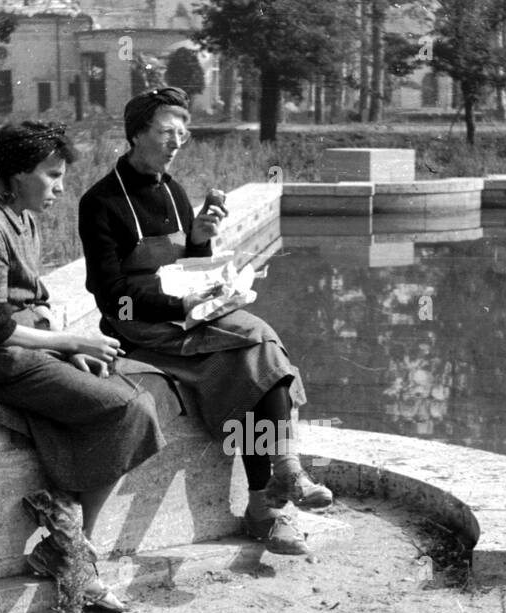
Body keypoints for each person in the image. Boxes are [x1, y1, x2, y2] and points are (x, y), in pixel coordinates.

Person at [78, 87, 333, 556]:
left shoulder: (173, 191)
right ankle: (278, 484)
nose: (176, 142)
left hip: (187, 316)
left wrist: (199, 242)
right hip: (139, 326)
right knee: (259, 343)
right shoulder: (101, 202)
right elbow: (109, 294)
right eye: (165, 132)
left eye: (182, 133)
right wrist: (182, 305)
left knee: (260, 356)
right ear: (135, 134)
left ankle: (271, 494)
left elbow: (185, 267)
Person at [0, 120, 166, 613]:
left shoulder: (23, 217)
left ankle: (65, 540)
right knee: (129, 407)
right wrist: (71, 340)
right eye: (52, 175)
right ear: (17, 173)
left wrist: (66, 352)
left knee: (125, 394)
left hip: (21, 350)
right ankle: (73, 550)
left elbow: (32, 304)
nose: (61, 187)